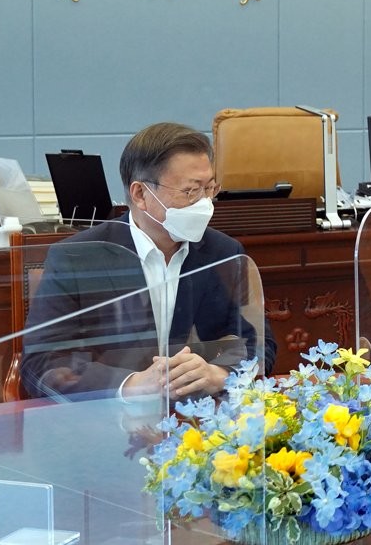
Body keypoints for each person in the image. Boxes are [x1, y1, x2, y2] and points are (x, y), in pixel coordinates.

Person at [21, 122, 277, 400]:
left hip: (197, 420)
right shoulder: (77, 257)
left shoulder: (223, 252)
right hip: (106, 423)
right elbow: (41, 364)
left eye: (209, 189)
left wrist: (219, 374)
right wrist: (130, 385)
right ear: (141, 194)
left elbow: (260, 344)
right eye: (191, 191)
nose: (204, 204)